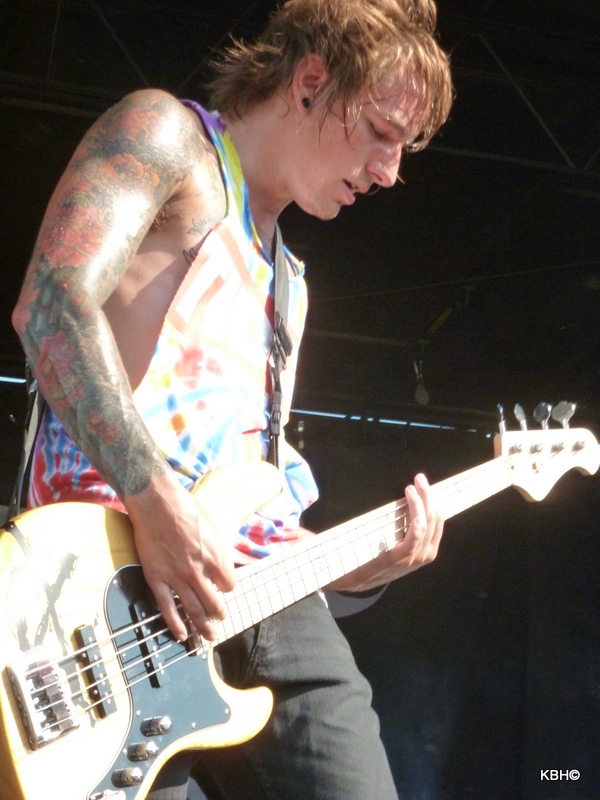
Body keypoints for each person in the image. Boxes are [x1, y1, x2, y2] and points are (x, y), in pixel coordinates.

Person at [11, 0, 453, 797]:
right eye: (381, 131)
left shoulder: (290, 284)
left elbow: (248, 507)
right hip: (107, 588)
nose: (390, 171)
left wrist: (358, 568)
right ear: (309, 83)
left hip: (256, 599)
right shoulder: (167, 139)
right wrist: (156, 502)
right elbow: (49, 307)